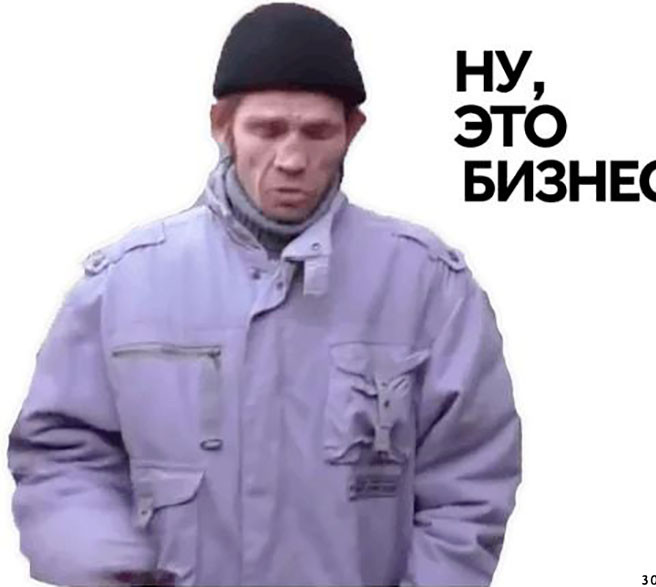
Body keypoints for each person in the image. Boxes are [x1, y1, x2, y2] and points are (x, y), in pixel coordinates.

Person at [7, 3, 522, 586]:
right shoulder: (125, 286)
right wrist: (107, 566)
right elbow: (61, 452)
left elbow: (469, 482)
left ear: (352, 131)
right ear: (221, 126)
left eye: (318, 132)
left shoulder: (428, 288)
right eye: (267, 129)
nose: (293, 159)